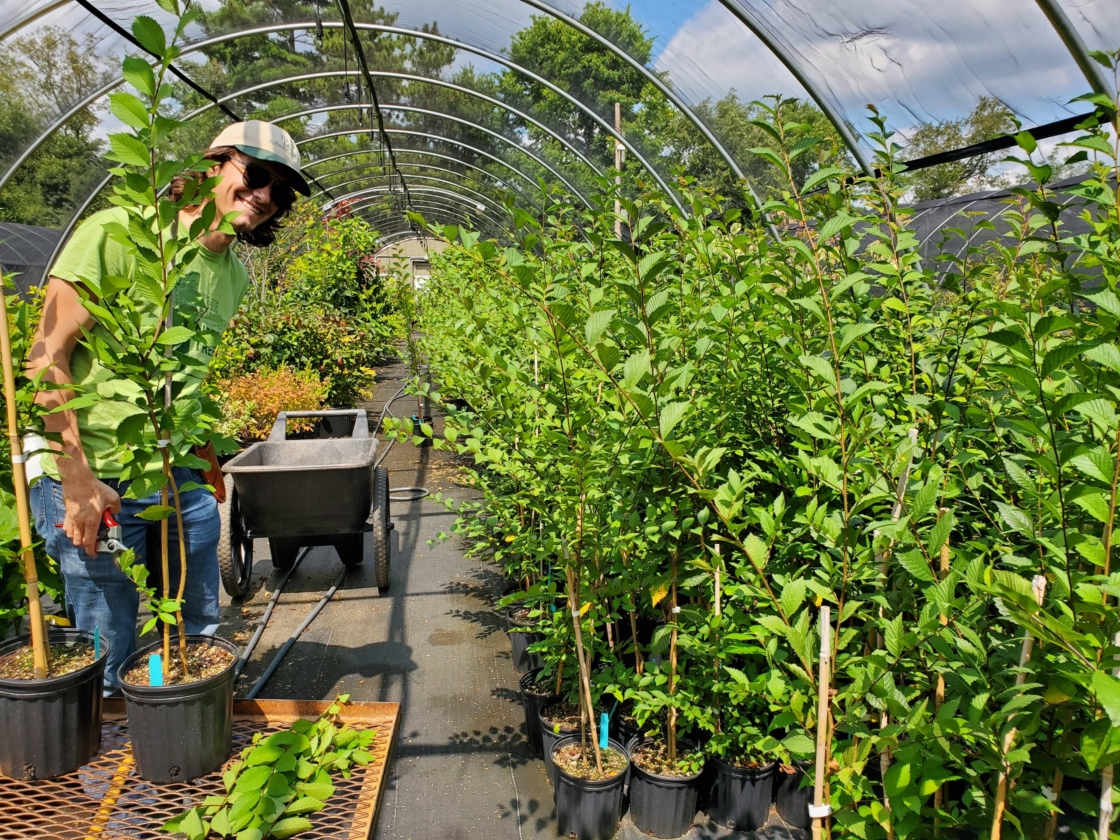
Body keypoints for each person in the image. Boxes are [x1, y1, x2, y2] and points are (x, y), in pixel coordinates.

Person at [26, 121, 311, 692]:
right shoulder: (120, 236)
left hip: (174, 474)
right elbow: (46, 355)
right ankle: (114, 763)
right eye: (255, 175)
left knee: (199, 630)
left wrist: (203, 455)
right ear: (212, 168)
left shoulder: (231, 274)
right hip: (95, 474)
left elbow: (187, 371)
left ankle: (181, 741)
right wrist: (76, 478)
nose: (264, 197)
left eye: (280, 192)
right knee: (109, 642)